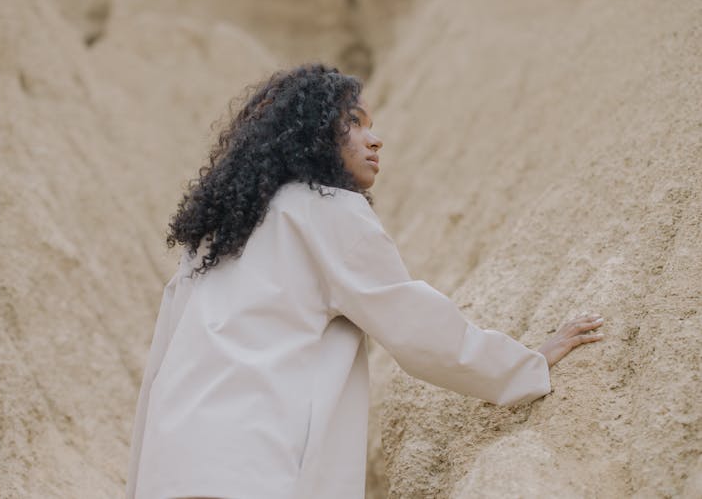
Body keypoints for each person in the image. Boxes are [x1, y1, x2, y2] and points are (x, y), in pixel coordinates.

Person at [125, 63, 604, 499]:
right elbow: (414, 326)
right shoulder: (328, 211)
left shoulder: (211, 238)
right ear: (310, 134)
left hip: (175, 466)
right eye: (353, 122)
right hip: (259, 465)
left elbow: (162, 365)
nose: (374, 139)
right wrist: (525, 365)